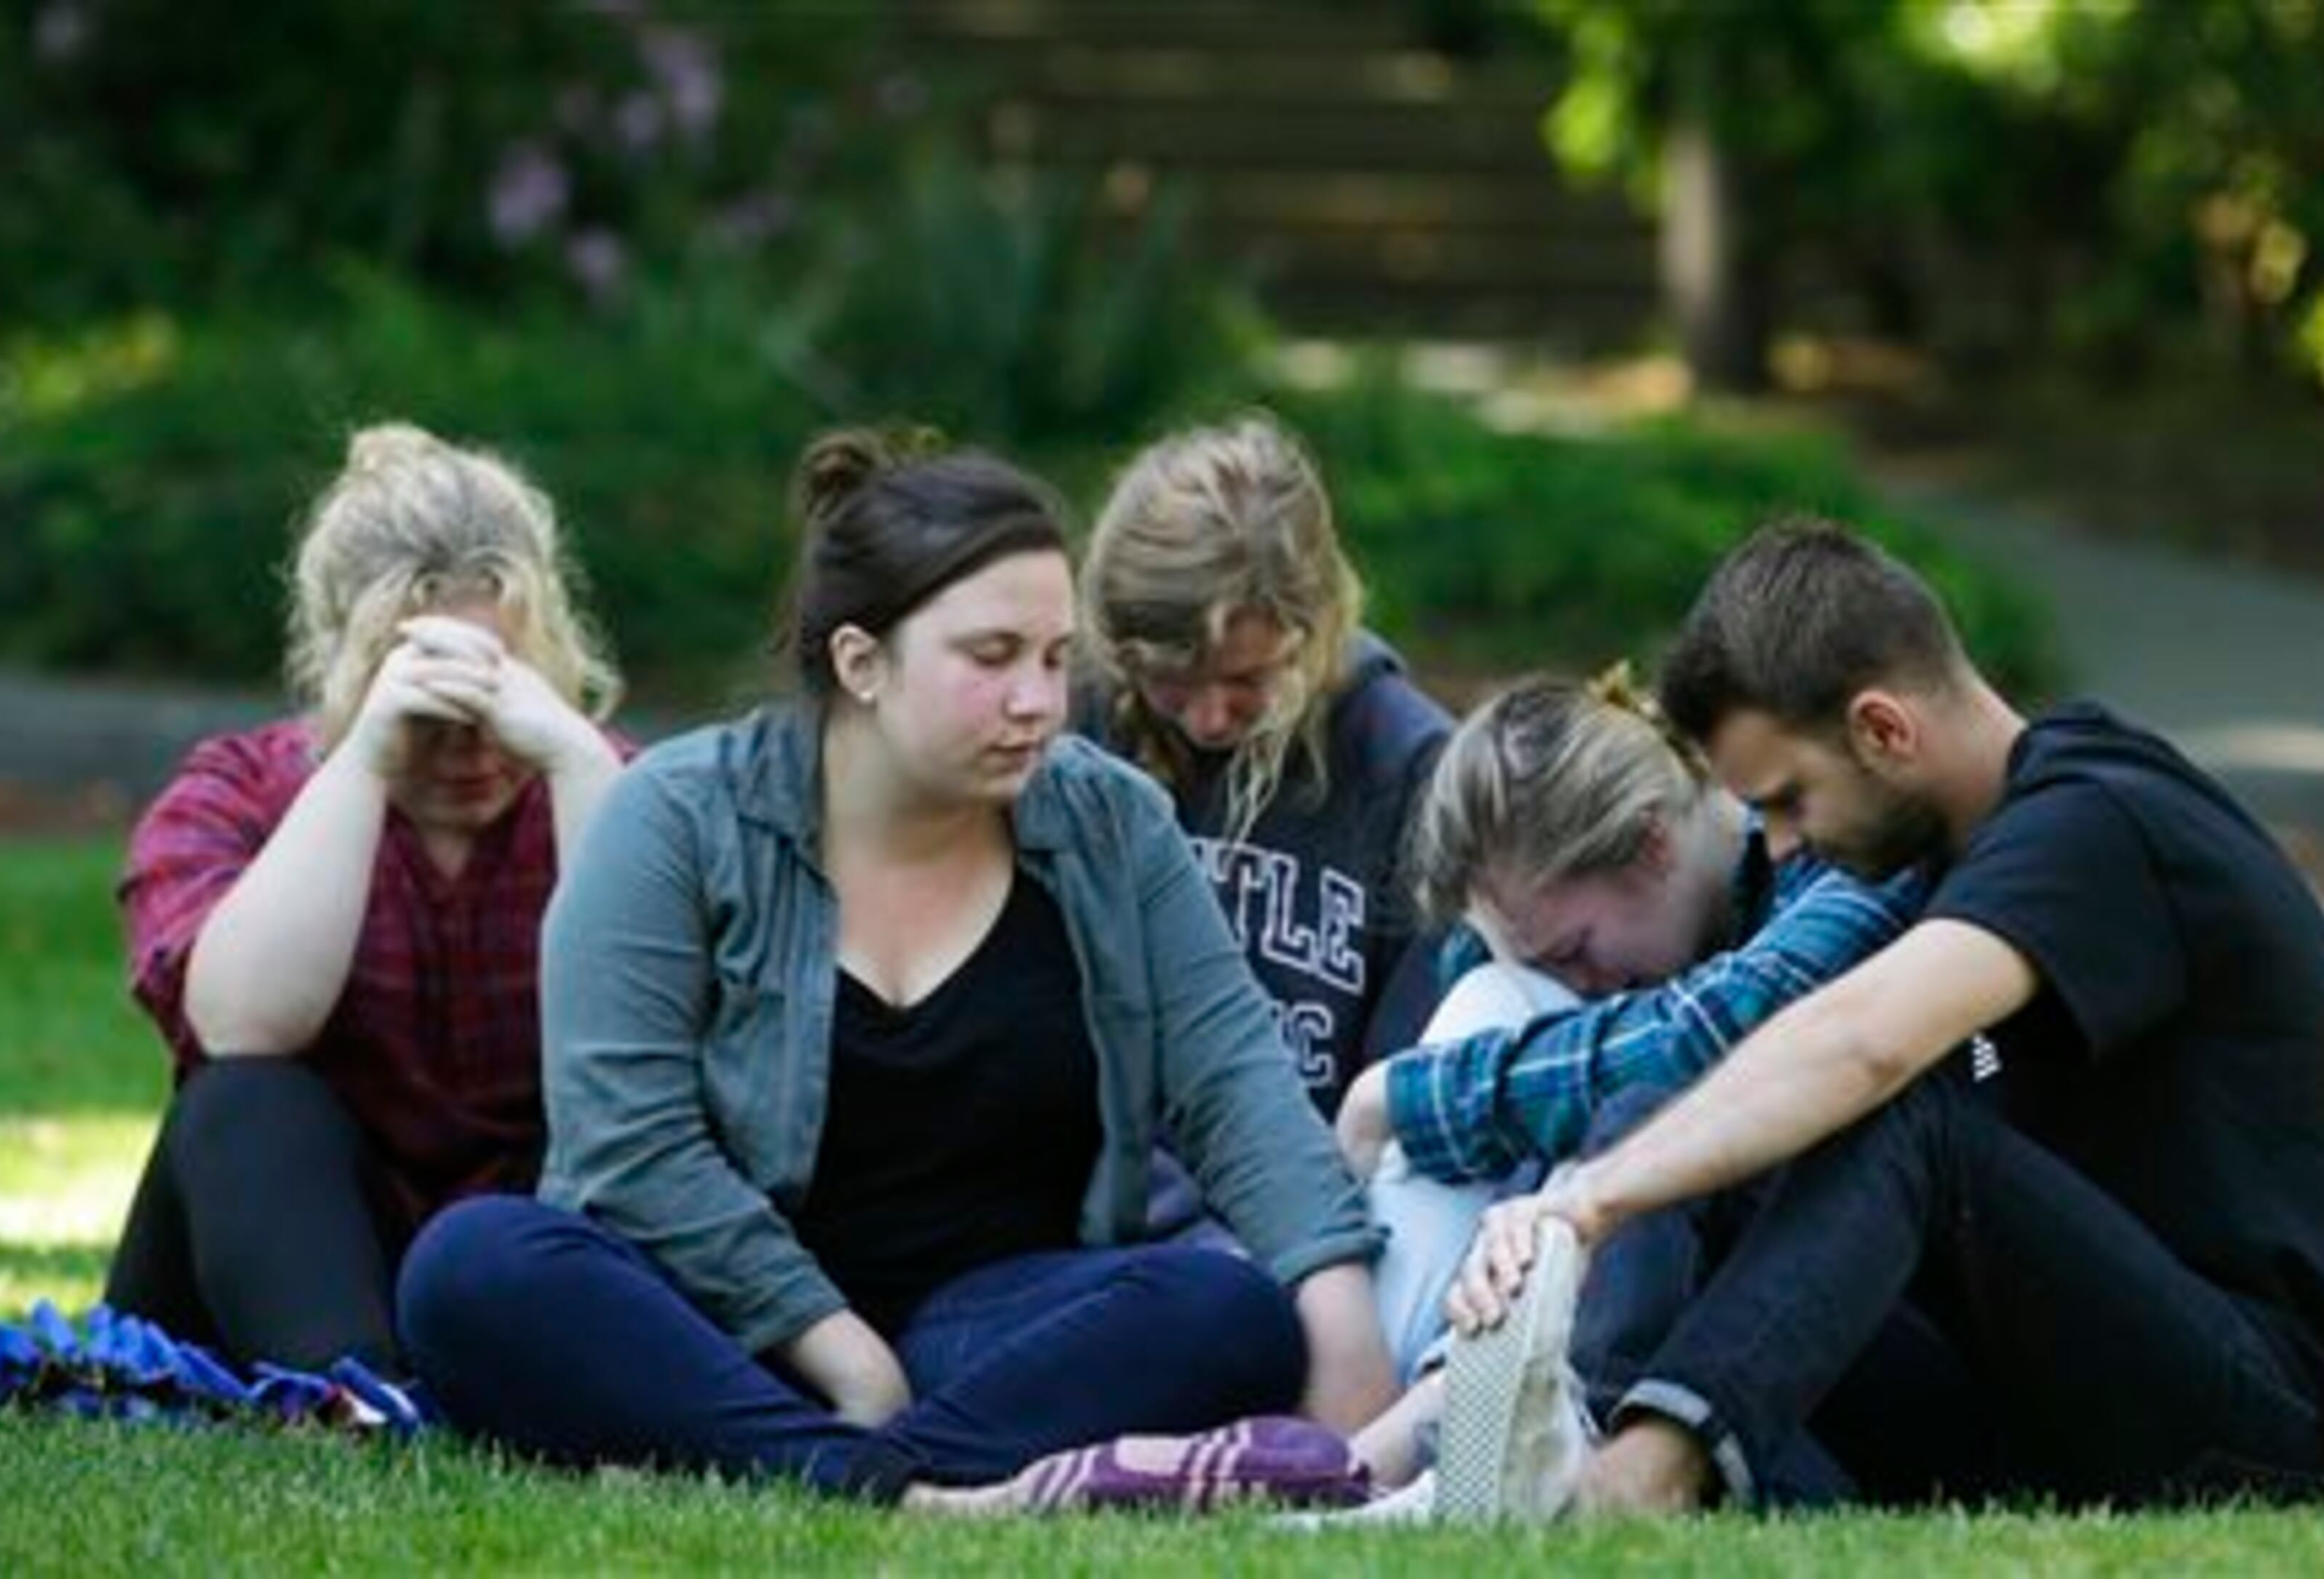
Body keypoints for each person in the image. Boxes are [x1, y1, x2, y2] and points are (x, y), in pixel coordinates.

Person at [396, 428, 1396, 1510]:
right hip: (707, 1315)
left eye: (1059, 658)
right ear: (861, 662)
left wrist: (1336, 1307)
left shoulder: (1111, 821)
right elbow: (624, 1143)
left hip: (990, 1328)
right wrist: (843, 1357)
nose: (1042, 702)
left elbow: (1235, 1080)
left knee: (1224, 1309)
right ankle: (903, 1479)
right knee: (472, 1265)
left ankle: (793, 1463)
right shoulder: (677, 817)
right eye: (994, 656)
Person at [1447, 519, 2324, 1516]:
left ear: (1884, 729)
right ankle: (1576, 1452)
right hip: (2081, 1381)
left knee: (1905, 1115)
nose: (1783, 850)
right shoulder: (1952, 853)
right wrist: (1618, 1171)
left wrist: (1587, 1200)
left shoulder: (2102, 822)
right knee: (1677, 1118)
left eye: (1791, 801)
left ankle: (1639, 1481)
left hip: (2304, 1425)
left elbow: (1866, 1044)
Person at [107, 423, 626, 1377]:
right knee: (242, 1099)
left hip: (529, 1251)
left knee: (640, 1106)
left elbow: (668, 1042)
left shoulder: (617, 788)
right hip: (282, 1260)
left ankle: (493, 1373)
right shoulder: (237, 793)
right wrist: (371, 752)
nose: (469, 743)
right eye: (436, 700)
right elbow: (243, 1028)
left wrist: (572, 758)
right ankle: (360, 1395)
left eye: (499, 684)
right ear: (340, 661)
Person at [1329, 670, 1920, 1385]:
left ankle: (1432, 1425)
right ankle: (1367, 1395)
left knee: (1629, 1105)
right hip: (1614, 1267)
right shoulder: (1554, 932)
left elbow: (1704, 1038)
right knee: (1494, 998)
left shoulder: (1830, 847)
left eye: (1577, 950)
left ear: (1651, 846)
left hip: (1853, 1290)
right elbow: (1496, 972)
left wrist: (1392, 1098)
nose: (1576, 984)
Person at [1077, 415, 1452, 1116]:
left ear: (1314, 627)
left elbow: (1409, 1068)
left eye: (1246, 681)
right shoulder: (1073, 726)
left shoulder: (1409, 766)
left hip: (1311, 1186)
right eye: (1174, 684)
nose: (1209, 719)